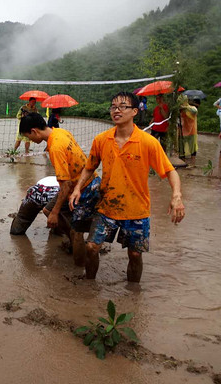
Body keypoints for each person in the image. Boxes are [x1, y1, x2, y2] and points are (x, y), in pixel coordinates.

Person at [69, 92, 185, 283]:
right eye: (113, 106)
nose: (116, 110)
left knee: (135, 255)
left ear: (134, 111)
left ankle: (133, 293)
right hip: (106, 207)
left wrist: (177, 196)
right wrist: (77, 189)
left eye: (122, 106)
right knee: (91, 247)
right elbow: (89, 167)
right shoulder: (101, 140)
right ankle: (89, 286)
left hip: (136, 209)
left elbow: (170, 171)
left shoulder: (148, 142)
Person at [18, 113, 101, 266]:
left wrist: (56, 212)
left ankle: (79, 269)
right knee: (48, 211)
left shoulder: (55, 146)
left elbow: (66, 185)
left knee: (76, 231)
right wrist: (53, 212)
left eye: (29, 136)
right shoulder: (60, 131)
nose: (30, 140)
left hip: (85, 186)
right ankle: (72, 239)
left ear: (34, 131)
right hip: (78, 182)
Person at [179, 97, 198, 167]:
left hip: (192, 131)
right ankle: (182, 162)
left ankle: (193, 163)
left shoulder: (191, 108)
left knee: (192, 148)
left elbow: (195, 111)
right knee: (181, 148)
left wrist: (185, 107)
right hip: (182, 131)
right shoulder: (179, 110)